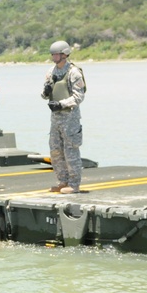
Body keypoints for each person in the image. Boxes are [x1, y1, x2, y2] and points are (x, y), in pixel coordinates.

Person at [40, 40, 86, 194]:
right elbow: (44, 95)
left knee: (70, 151)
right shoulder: (51, 72)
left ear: (64, 54)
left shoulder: (74, 72)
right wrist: (46, 91)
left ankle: (74, 184)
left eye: (56, 54)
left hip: (70, 118)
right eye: (53, 54)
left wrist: (62, 104)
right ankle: (62, 181)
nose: (54, 57)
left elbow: (79, 96)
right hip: (55, 119)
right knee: (55, 151)